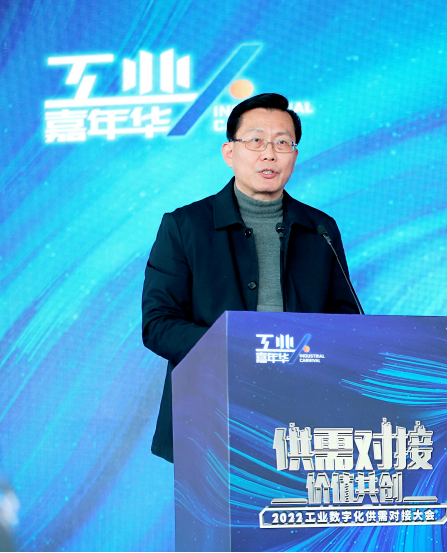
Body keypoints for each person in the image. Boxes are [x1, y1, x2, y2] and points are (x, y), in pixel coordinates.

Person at [142, 93, 360, 463]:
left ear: (294, 156)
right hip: (212, 411)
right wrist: (243, 349)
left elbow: (346, 318)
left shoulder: (320, 228)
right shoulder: (185, 226)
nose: (269, 154)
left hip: (303, 415)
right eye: (256, 140)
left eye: (282, 143)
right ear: (230, 153)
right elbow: (158, 325)